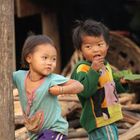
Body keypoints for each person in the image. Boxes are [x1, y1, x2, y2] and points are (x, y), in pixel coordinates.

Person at [13, 35, 84, 140]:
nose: (50, 63)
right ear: (29, 58)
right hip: (35, 135)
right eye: (45, 58)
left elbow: (79, 86)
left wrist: (60, 90)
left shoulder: (52, 79)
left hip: (54, 130)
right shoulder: (19, 77)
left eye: (53, 59)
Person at [71, 19, 128, 140]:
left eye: (100, 44)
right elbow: (85, 91)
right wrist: (94, 70)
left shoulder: (106, 65)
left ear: (107, 45)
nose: (95, 49)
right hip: (99, 120)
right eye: (88, 46)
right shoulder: (82, 69)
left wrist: (122, 83)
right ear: (80, 49)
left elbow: (111, 87)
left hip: (108, 117)